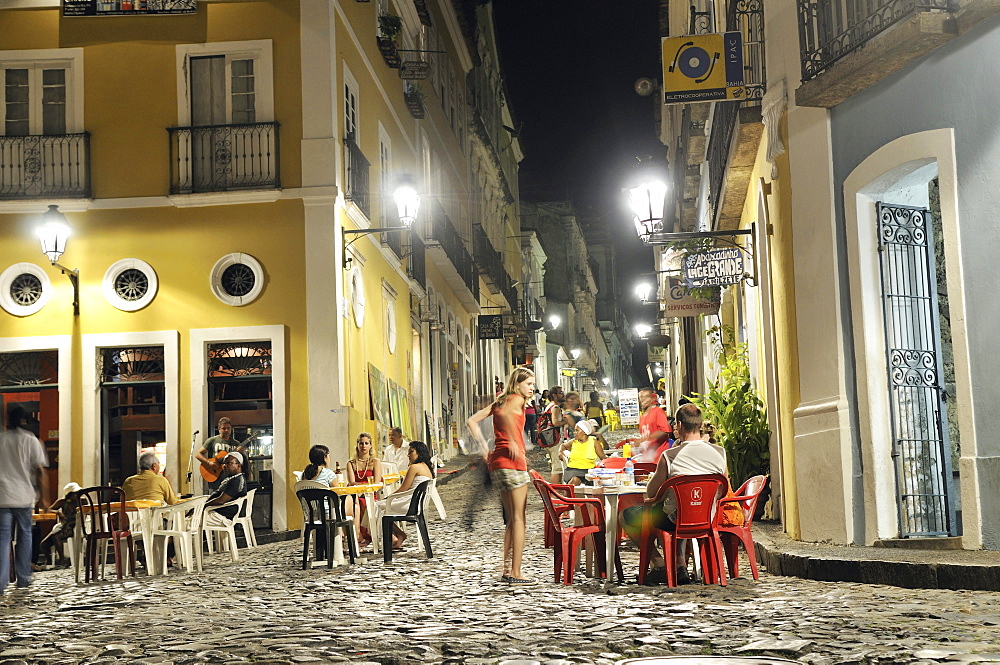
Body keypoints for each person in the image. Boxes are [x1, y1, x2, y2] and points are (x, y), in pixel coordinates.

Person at [622, 403, 728, 585]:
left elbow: (651, 492)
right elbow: (722, 488)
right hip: (707, 518)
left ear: (679, 425)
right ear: (700, 424)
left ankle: (660, 563)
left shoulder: (670, 456)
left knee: (626, 516)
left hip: (673, 520)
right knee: (678, 506)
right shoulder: (719, 453)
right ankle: (680, 564)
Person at [467, 366, 536, 585]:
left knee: (511, 520)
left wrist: (483, 448)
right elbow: (506, 416)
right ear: (517, 384)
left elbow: (472, 421)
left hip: (496, 462)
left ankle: (507, 569)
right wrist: (515, 441)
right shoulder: (515, 399)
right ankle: (516, 572)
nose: (532, 389)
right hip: (513, 462)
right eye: (529, 384)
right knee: (519, 519)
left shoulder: (499, 401)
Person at [0, 404, 48, 595]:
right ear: (25, 420)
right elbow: (39, 471)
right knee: (25, 535)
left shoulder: (1, 440)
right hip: (24, 496)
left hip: (2, 497)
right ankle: (23, 577)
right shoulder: (31, 440)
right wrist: (45, 498)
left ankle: (1, 581)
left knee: (3, 539)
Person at [378, 440, 435, 550]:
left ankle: (384, 538)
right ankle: (399, 534)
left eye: (411, 452)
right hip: (418, 504)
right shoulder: (427, 468)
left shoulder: (414, 467)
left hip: (410, 504)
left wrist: (388, 498)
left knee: (377, 506)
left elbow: (404, 488)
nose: (408, 455)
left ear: (419, 452)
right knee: (380, 507)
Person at [347, 432, 383, 548]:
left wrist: (364, 487)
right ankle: (358, 535)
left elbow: (377, 483)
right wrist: (359, 487)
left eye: (366, 443)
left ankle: (362, 536)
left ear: (370, 445)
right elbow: (351, 482)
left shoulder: (375, 462)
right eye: (361, 443)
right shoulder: (351, 463)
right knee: (355, 502)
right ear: (357, 445)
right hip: (357, 494)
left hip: (371, 493)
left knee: (362, 503)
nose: (363, 446)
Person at [35, 482, 81, 569]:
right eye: (74, 493)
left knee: (57, 537)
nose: (76, 495)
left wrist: (68, 524)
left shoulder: (82, 501)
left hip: (76, 527)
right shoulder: (62, 502)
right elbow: (49, 509)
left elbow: (82, 517)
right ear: (69, 494)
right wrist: (58, 512)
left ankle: (62, 561)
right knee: (43, 544)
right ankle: (49, 561)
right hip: (63, 526)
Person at [196, 417, 245, 491]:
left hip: (231, 479)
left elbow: (240, 463)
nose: (227, 430)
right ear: (219, 429)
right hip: (216, 477)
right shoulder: (212, 440)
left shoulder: (236, 444)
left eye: (228, 428)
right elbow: (198, 454)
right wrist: (208, 463)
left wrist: (242, 453)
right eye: (224, 428)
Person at [204, 451, 248, 529]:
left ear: (238, 466)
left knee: (186, 522)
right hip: (217, 513)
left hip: (222, 517)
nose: (224, 466)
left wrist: (203, 506)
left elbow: (221, 500)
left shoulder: (236, 480)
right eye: (224, 463)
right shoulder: (234, 478)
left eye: (228, 463)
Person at [559, 419, 605, 485]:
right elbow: (563, 445)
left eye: (577, 430)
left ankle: (570, 494)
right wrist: (560, 452)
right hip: (573, 470)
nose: (574, 432)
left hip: (589, 471)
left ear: (584, 432)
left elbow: (602, 457)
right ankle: (569, 494)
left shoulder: (594, 442)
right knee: (575, 480)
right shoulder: (573, 441)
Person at [633, 387, 672, 463]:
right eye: (641, 397)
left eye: (646, 397)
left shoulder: (658, 411)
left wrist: (643, 440)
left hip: (659, 457)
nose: (642, 400)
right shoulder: (642, 416)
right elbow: (644, 435)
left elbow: (665, 430)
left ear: (652, 398)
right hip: (648, 457)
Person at [539, 385, 566, 483]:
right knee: (557, 467)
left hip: (549, 438)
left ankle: (557, 490)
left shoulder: (549, 406)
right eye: (560, 393)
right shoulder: (555, 407)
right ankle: (555, 493)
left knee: (556, 465)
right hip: (555, 439)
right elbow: (555, 423)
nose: (563, 394)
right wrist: (565, 421)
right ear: (554, 395)